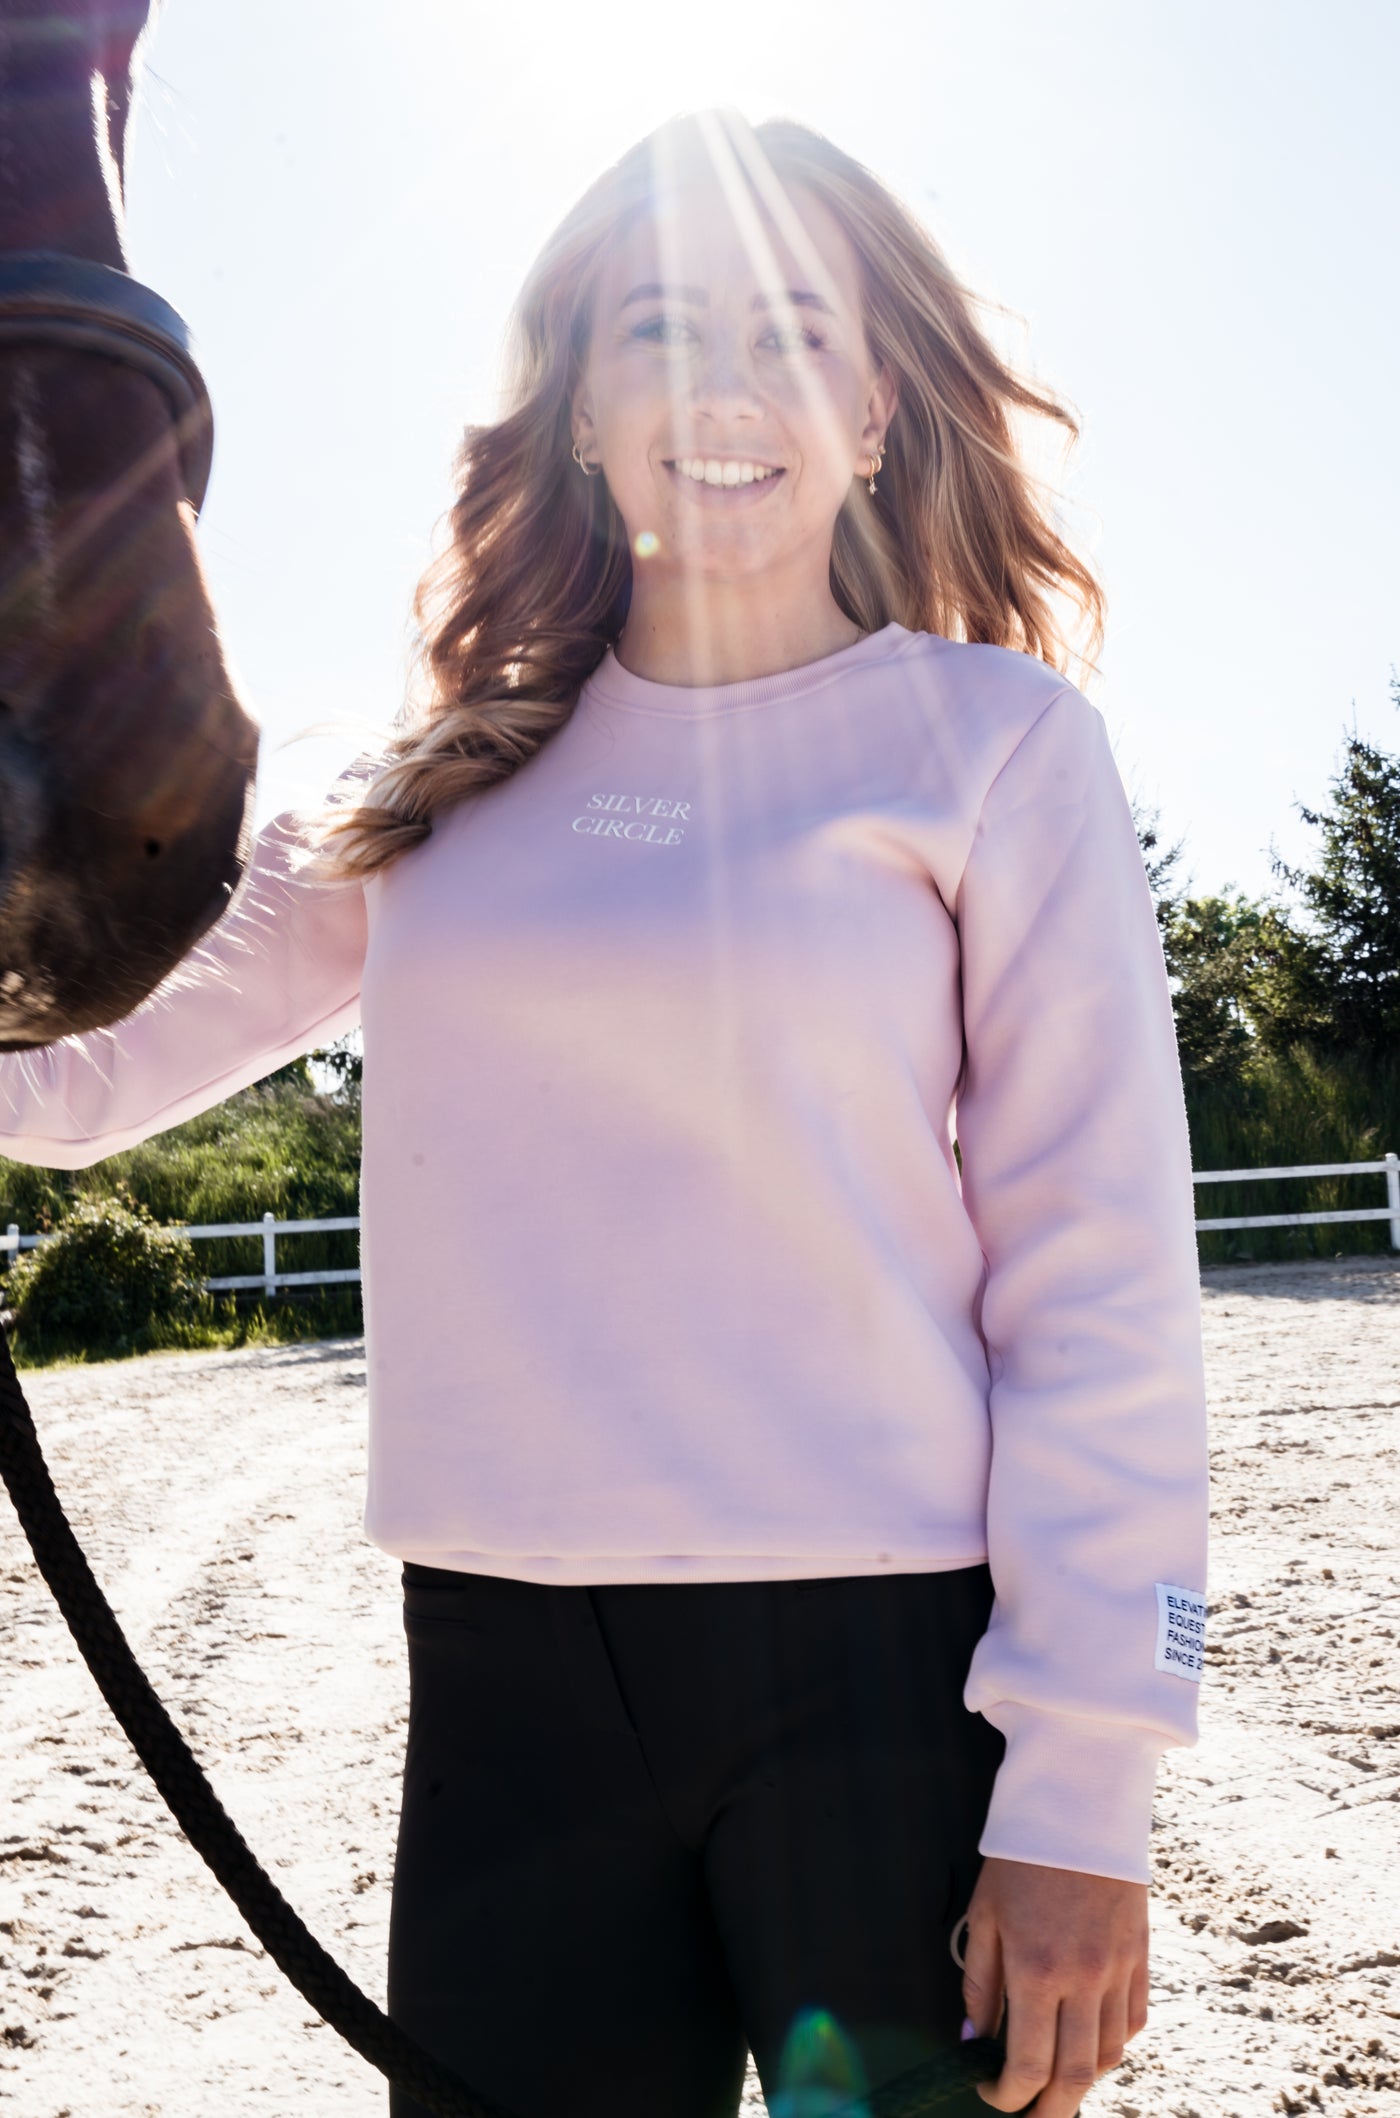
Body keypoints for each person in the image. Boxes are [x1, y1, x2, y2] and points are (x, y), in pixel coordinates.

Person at [0, 109, 1209, 2118]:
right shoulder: (417, 795)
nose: (724, 390)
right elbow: (69, 1075)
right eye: (659, 330)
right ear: (576, 407)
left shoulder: (996, 751)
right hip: (509, 1693)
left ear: (877, 410)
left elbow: (1099, 1285)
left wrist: (1084, 1788)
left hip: (880, 1681)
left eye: (792, 334)